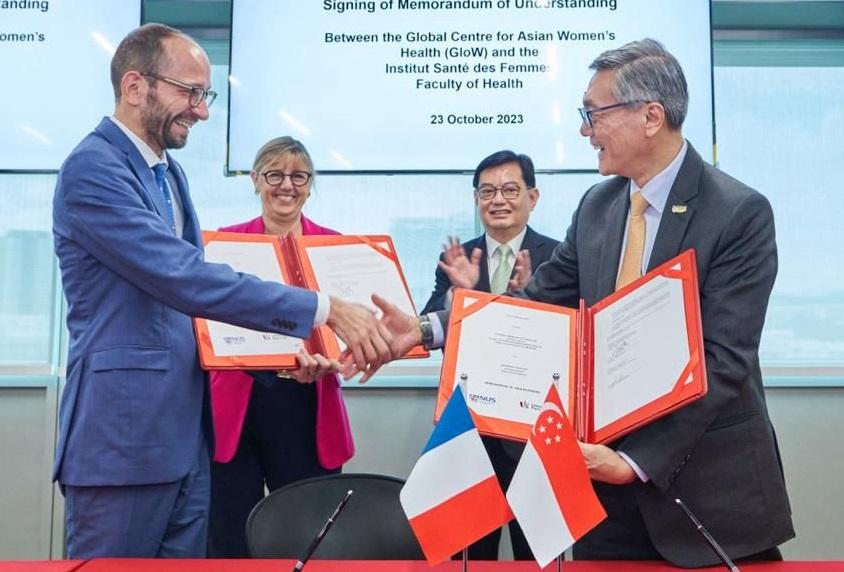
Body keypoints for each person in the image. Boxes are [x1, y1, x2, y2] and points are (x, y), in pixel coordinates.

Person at [369, 39, 794, 567]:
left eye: (593, 114)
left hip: (705, 492)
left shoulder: (738, 212)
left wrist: (634, 462)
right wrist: (424, 329)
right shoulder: (598, 206)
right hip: (603, 493)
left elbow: (723, 357)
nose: (584, 131)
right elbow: (534, 303)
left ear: (651, 116)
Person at [52, 24, 390, 559]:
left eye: (204, 95)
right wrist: (323, 309)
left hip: (187, 442)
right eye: (190, 92)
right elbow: (183, 277)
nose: (201, 111)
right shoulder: (94, 170)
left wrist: (281, 362)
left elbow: (196, 318)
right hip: (126, 438)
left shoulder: (169, 174)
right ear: (136, 86)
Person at [208, 137, 355, 557]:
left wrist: (336, 359)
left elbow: (351, 330)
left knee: (306, 538)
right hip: (237, 407)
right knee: (230, 539)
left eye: (298, 176)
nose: (286, 185)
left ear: (310, 185)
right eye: (275, 175)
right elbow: (205, 322)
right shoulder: (224, 245)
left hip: (309, 404)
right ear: (255, 180)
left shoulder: (334, 247)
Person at [420, 150, 559, 560]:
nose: (498, 200)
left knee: (535, 554)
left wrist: (531, 301)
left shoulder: (559, 257)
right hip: (470, 430)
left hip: (534, 431)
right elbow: (432, 325)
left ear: (532, 197)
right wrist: (459, 296)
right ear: (476, 199)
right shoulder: (457, 259)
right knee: (470, 554)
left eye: (510, 190)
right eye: (487, 191)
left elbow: (568, 336)